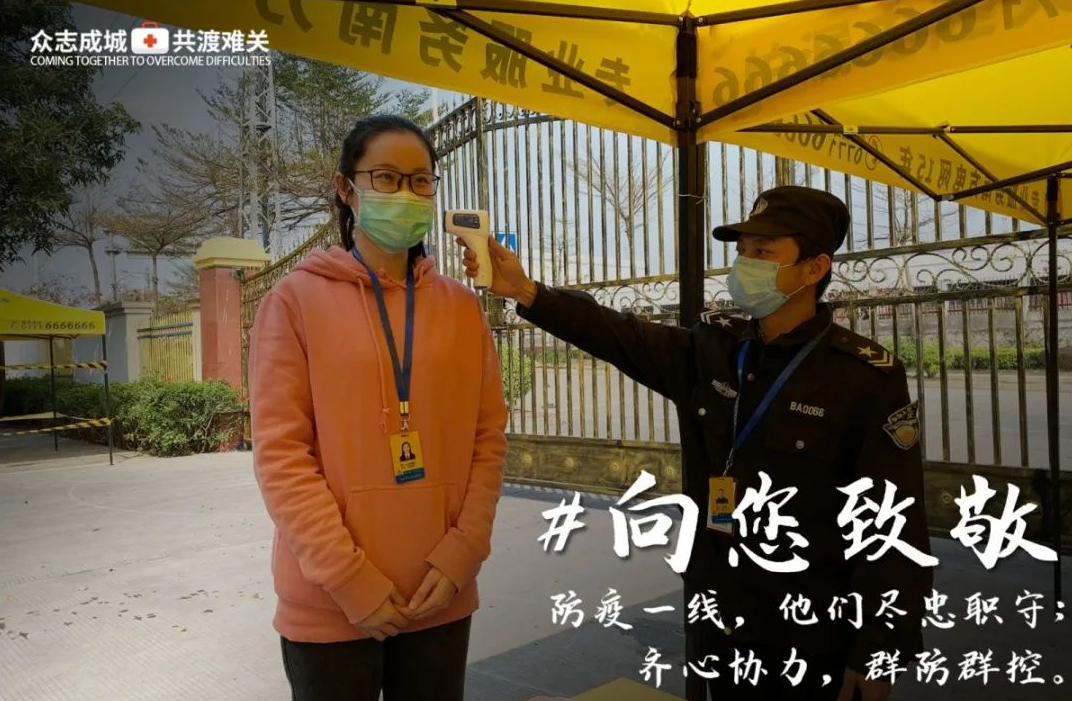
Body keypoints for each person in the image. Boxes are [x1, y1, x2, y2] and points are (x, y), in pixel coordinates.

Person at [457, 186, 933, 701]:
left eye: (763, 251)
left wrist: (880, 650)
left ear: (814, 269)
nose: (745, 263)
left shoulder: (862, 376)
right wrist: (526, 291)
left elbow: (892, 523)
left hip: (809, 629)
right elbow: (620, 334)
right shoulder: (717, 350)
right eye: (743, 250)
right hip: (718, 616)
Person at [250, 114, 508, 701]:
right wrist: (348, 579)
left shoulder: (462, 308)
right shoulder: (293, 301)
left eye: (420, 181)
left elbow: (488, 438)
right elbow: (282, 455)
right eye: (386, 178)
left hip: (440, 593)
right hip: (331, 603)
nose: (405, 194)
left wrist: (463, 553)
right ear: (347, 189)